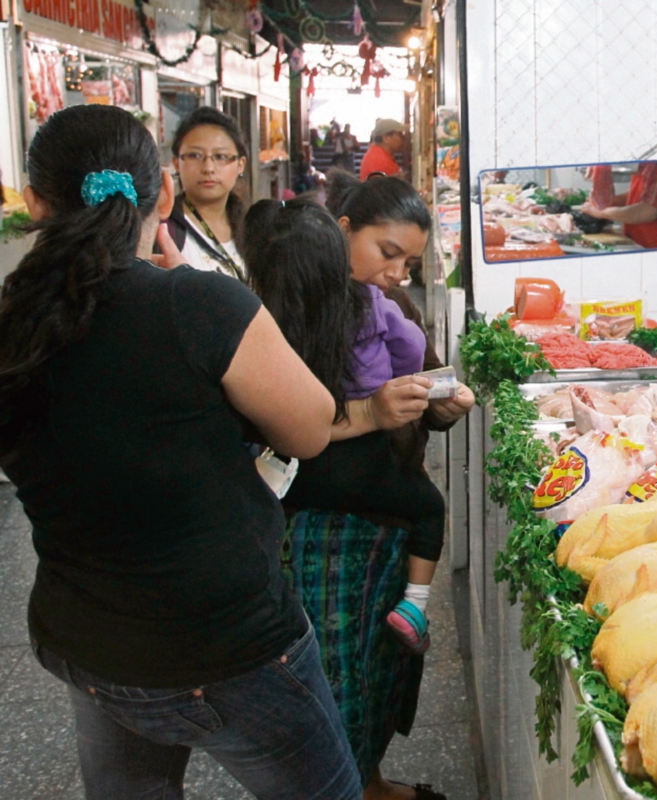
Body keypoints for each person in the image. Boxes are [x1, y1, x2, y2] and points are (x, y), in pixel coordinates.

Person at [0, 104, 361, 799]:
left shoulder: (15, 324)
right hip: (228, 649)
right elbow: (311, 428)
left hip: (85, 644)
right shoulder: (201, 305)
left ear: (34, 202)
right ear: (163, 192)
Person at [247, 173, 472, 800]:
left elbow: (416, 385)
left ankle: (367, 781)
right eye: (386, 252)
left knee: (378, 664)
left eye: (410, 260)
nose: (398, 271)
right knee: (334, 670)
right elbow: (277, 426)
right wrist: (369, 413)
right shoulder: (275, 310)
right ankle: (343, 785)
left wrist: (440, 406)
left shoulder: (390, 307)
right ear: (340, 233)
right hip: (322, 527)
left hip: (386, 517)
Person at [162, 106, 249, 280]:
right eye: (194, 155)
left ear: (240, 164)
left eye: (220, 156)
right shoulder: (163, 231)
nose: (208, 168)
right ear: (177, 164)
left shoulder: (254, 229)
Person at [580, 160, 657, 249]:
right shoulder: (644, 164)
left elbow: (648, 211)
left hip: (654, 246)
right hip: (636, 241)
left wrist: (601, 213)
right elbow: (641, 194)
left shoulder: (656, 166)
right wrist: (613, 201)